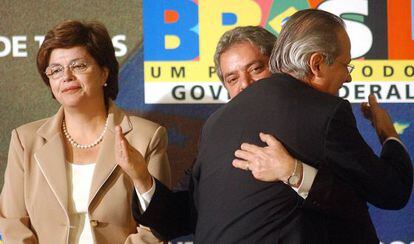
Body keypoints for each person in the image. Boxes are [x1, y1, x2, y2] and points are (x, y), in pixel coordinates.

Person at [129, 12, 412, 243]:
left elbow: (346, 199)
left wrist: (294, 173)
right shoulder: (322, 111)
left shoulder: (216, 125)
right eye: (232, 78)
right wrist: (388, 133)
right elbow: (390, 191)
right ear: (315, 63)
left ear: (277, 61)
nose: (246, 85)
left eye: (255, 69)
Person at [0, 20, 171, 243]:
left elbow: (156, 227)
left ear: (104, 73)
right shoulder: (26, 140)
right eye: (56, 70)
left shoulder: (146, 138)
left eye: (79, 65)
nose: (67, 76)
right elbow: (12, 223)